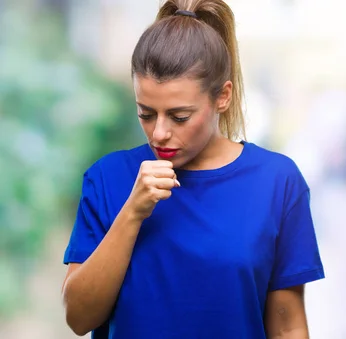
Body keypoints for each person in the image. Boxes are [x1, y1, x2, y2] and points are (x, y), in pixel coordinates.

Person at [60, 1, 325, 338]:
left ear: (223, 97)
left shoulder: (277, 182)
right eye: (146, 113)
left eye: (179, 116)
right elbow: (78, 319)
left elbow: (287, 327)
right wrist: (132, 213)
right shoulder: (107, 178)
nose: (159, 132)